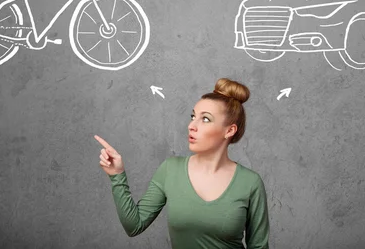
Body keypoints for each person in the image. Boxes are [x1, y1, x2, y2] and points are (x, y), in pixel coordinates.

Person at [94, 78, 270, 248]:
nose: (191, 125)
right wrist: (117, 175)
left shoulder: (250, 183)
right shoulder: (171, 169)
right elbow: (134, 226)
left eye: (205, 119)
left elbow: (259, 246)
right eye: (193, 116)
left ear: (229, 130)